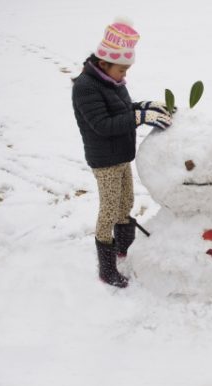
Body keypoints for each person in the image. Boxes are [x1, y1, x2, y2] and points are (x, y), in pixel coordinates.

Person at [72, 19, 172, 288]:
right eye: (122, 69)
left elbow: (123, 109)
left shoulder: (111, 80)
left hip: (120, 156)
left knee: (125, 202)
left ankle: (124, 247)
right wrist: (140, 117)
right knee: (109, 210)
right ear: (104, 63)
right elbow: (103, 124)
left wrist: (147, 106)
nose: (124, 76)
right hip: (105, 161)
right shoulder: (85, 87)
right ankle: (107, 268)